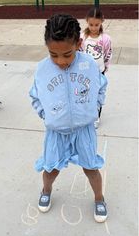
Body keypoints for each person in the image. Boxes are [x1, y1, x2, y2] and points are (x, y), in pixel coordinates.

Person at [29, 14, 108, 222]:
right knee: (50, 168)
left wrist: (94, 107)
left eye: (67, 54)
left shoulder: (90, 65)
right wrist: (47, 116)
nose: (60, 61)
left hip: (84, 129)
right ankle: (46, 191)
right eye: (53, 54)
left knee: (91, 167)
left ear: (79, 44)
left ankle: (99, 199)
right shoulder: (42, 69)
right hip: (57, 131)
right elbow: (35, 95)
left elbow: (101, 86)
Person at [80, 6, 112, 129]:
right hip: (84, 72)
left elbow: (108, 53)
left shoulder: (105, 39)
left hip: (99, 72)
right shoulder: (82, 37)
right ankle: (85, 114)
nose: (93, 28)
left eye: (96, 25)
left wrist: (105, 68)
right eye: (91, 24)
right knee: (85, 94)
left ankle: (96, 116)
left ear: (102, 22)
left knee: (98, 94)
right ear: (87, 21)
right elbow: (79, 52)